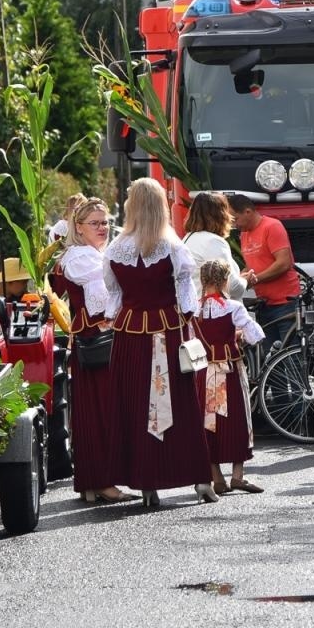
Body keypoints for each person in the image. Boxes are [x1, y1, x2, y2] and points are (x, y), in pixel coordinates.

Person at [107, 177, 216, 508]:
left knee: (134, 404)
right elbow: (188, 300)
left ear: (132, 207)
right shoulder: (173, 248)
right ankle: (199, 480)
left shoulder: (114, 249)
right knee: (181, 404)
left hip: (129, 337)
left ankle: (146, 482)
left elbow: (113, 297)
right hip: (167, 332)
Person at [48, 198, 133, 505]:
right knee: (102, 411)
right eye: (95, 223)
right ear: (79, 228)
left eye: (105, 222)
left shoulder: (87, 254)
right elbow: (104, 300)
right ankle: (102, 481)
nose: (102, 228)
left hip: (93, 341)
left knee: (96, 411)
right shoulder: (82, 257)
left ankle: (93, 481)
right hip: (96, 341)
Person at [193, 259, 266, 496]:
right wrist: (239, 336)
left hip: (204, 372)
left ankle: (217, 477)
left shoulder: (195, 309)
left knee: (209, 423)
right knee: (237, 420)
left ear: (203, 281)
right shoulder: (233, 307)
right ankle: (237, 476)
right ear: (225, 280)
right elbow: (255, 335)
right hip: (229, 370)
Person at [228, 193, 300, 347]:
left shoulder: (272, 226)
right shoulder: (245, 234)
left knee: (290, 356)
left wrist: (256, 279)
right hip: (264, 304)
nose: (235, 224)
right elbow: (253, 263)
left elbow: (284, 263)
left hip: (284, 303)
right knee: (269, 358)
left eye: (235, 219)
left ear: (247, 212)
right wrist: (241, 276)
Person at [182, 192, 246, 301]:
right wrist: (245, 280)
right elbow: (232, 287)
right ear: (221, 215)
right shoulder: (213, 242)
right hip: (211, 312)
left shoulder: (188, 239)